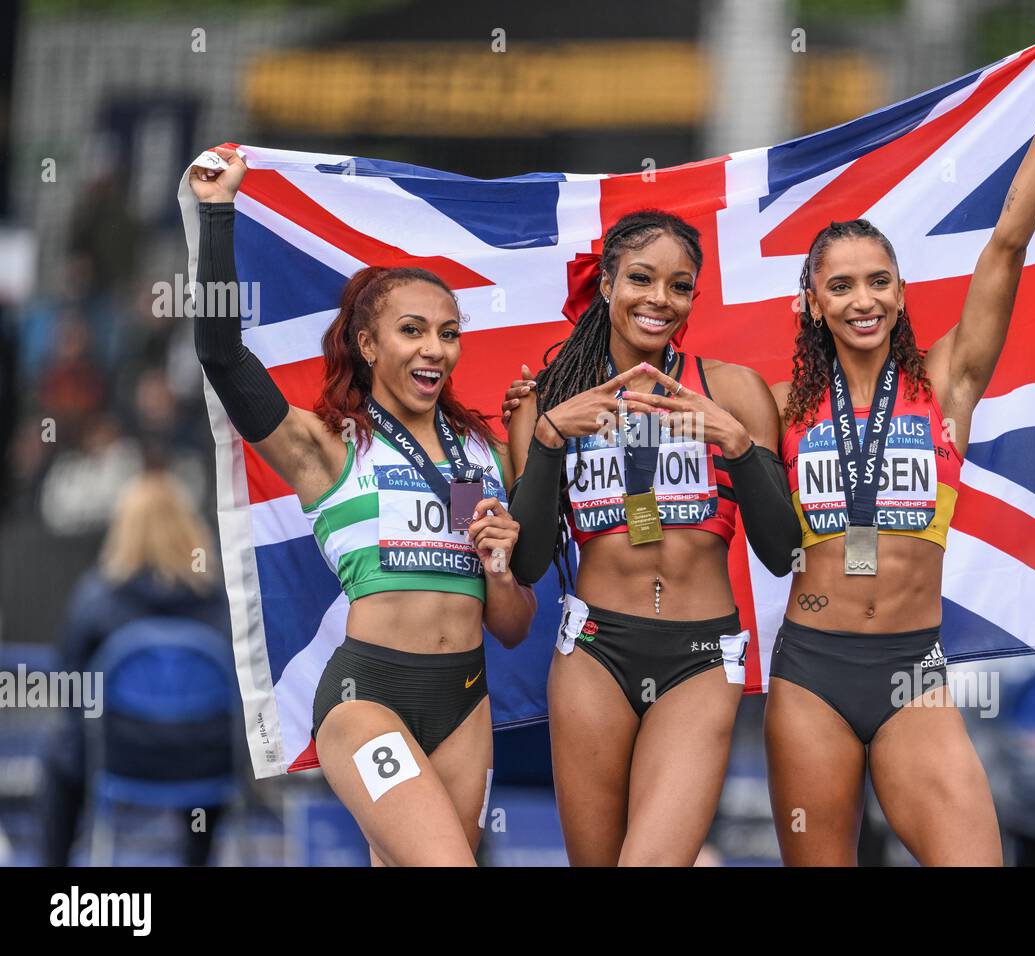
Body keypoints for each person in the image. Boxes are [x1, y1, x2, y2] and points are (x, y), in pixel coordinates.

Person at [763, 28, 1035, 866]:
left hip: (911, 672)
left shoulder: (946, 382)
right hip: (809, 670)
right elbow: (673, 375)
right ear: (813, 303)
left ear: (899, 292)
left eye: (878, 281)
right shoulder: (778, 404)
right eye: (841, 285)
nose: (863, 300)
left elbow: (1006, 244)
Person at [188, 146, 535, 866]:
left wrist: (501, 570)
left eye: (448, 332)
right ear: (368, 343)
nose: (434, 348)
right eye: (412, 331)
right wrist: (218, 214)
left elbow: (509, 627)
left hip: (466, 702)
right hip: (365, 696)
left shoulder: (479, 456)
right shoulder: (325, 446)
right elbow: (224, 359)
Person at [505, 209, 801, 865]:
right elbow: (526, 563)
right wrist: (551, 439)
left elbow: (783, 554)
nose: (659, 300)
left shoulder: (734, 390)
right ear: (607, 283)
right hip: (592, 651)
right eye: (641, 278)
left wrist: (739, 444)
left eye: (680, 286)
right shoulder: (548, 399)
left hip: (700, 657)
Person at [38, 470, 232, 866]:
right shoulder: (220, 601)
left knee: (59, 749)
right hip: (205, 761)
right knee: (207, 736)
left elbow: (68, 685)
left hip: (118, 757)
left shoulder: (96, 599)